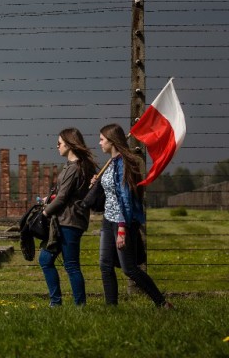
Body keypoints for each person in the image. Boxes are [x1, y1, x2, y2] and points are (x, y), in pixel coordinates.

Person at [97, 123, 173, 308]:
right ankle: (111, 308)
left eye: (102, 139)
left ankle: (162, 303)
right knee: (105, 265)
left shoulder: (123, 164)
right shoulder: (112, 163)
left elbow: (125, 197)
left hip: (121, 221)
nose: (99, 143)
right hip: (108, 219)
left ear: (112, 141)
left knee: (129, 269)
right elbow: (111, 191)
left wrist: (122, 228)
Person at [39, 127, 97, 306]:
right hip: (64, 220)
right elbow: (63, 194)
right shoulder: (73, 166)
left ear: (70, 144)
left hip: (70, 222)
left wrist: (45, 212)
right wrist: (48, 200)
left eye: (60, 143)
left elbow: (63, 197)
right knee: (45, 259)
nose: (57, 146)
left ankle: (79, 306)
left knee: (71, 265)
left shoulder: (75, 167)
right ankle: (56, 302)